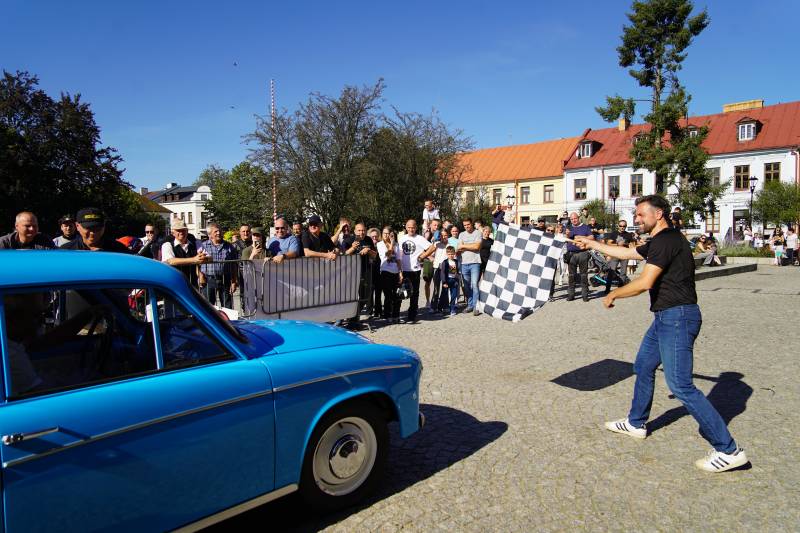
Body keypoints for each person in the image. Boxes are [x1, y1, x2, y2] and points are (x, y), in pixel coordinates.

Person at [575, 194, 748, 473]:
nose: (636, 219)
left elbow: (645, 282)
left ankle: (729, 450)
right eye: (636, 214)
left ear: (659, 214)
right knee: (643, 365)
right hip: (665, 317)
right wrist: (592, 243)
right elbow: (628, 253)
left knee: (680, 385)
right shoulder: (660, 241)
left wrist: (614, 294)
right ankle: (636, 423)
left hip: (677, 318)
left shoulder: (667, 240)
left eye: (641, 214)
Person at [399, 219, 436, 323]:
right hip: (403, 269)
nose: (411, 229)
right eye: (409, 227)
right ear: (406, 227)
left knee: (414, 293)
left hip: (415, 269)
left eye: (413, 227)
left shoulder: (420, 238)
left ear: (416, 228)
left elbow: (432, 247)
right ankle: (397, 314)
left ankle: (412, 316)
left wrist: (423, 256)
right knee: (400, 292)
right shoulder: (402, 238)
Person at [198, 222, 238, 308]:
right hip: (208, 280)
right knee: (208, 306)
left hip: (225, 280)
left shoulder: (229, 246)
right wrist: (200, 276)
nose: (219, 233)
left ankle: (227, 318)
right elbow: (197, 263)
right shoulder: (203, 246)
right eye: (216, 231)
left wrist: (234, 281)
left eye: (220, 231)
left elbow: (234, 265)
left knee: (227, 307)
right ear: (210, 234)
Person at [160, 219, 208, 286]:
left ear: (187, 231)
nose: (181, 232)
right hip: (174, 283)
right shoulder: (167, 245)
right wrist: (194, 260)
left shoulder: (196, 243)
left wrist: (203, 259)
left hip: (193, 284)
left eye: (183, 230)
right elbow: (171, 261)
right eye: (178, 230)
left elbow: (209, 257)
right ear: (173, 233)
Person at [59, 208, 129, 252]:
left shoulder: (120, 250)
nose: (92, 233)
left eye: (97, 228)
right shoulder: (66, 251)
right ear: (77, 226)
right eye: (88, 228)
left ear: (104, 226)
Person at [564, 212, 593, 301]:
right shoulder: (568, 227)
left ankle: (585, 295)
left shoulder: (585, 227)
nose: (574, 220)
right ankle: (571, 294)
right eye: (572, 219)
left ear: (578, 218)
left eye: (575, 218)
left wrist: (581, 237)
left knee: (583, 275)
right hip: (571, 254)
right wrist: (567, 235)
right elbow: (565, 238)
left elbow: (592, 237)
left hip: (582, 253)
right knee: (571, 276)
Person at [377, 226, 402, 323]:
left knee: (397, 295)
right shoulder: (380, 244)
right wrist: (391, 244)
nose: (386, 235)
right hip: (385, 271)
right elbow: (387, 255)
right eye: (384, 233)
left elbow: (398, 259)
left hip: (395, 272)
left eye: (388, 233)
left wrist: (400, 272)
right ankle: (387, 315)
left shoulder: (396, 244)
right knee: (388, 295)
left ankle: (396, 315)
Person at [457, 218, 483, 314]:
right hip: (464, 263)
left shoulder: (478, 233)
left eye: (468, 224)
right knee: (466, 286)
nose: (466, 226)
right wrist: (470, 246)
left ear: (471, 224)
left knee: (474, 284)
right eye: (465, 225)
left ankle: (476, 306)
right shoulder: (461, 234)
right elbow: (459, 248)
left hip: (475, 262)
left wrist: (464, 246)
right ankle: (470, 305)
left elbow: (477, 247)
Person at [602, 219, 635, 292]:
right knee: (611, 272)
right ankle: (607, 289)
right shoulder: (614, 233)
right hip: (615, 255)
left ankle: (620, 289)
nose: (622, 227)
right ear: (618, 226)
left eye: (624, 226)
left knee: (623, 273)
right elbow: (609, 243)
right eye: (620, 226)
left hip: (625, 255)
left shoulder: (628, 235)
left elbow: (632, 245)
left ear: (626, 226)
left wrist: (627, 245)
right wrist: (617, 244)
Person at [430, 229, 450, 313]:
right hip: (436, 268)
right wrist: (431, 258)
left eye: (445, 235)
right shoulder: (436, 244)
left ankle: (444, 306)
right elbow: (429, 252)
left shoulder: (450, 245)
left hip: (446, 268)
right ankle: (433, 307)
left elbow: (453, 257)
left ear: (448, 235)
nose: (443, 237)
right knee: (436, 288)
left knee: (445, 287)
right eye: (442, 235)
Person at [439, 246, 461, 316]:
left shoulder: (456, 262)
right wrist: (444, 282)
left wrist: (457, 279)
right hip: (447, 280)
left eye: (452, 254)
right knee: (443, 295)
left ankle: (452, 309)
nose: (451, 255)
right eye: (449, 254)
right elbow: (442, 273)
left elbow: (458, 271)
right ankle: (440, 309)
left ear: (454, 254)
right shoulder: (445, 262)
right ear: (446, 254)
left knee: (454, 295)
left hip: (454, 281)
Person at [367, 227, 382, 318]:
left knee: (378, 291)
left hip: (379, 270)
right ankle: (369, 311)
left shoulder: (381, 245)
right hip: (370, 270)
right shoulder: (367, 246)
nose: (375, 238)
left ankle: (378, 310)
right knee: (370, 291)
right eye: (372, 237)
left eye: (376, 236)